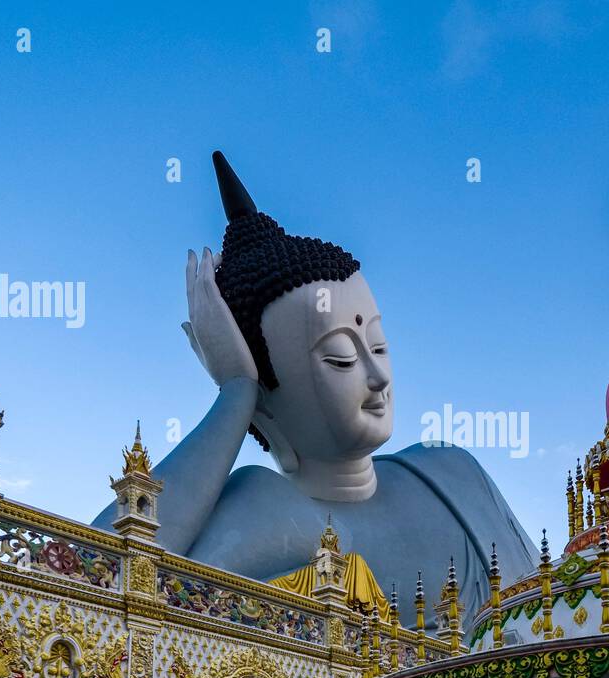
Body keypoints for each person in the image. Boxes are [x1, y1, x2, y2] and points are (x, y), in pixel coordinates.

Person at [94, 152, 535, 626]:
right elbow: (94, 583)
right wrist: (237, 391)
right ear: (267, 407)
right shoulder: (266, 508)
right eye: (341, 358)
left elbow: (562, 598)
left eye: (379, 346)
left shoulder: (450, 471)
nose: (378, 375)